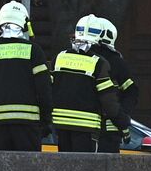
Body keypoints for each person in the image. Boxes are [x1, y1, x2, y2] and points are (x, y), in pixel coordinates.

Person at [0, 0, 52, 152]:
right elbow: (44, 88)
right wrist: (47, 119)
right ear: (23, 23)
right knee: (28, 170)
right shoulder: (34, 51)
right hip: (28, 123)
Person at [50, 15, 129, 153]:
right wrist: (123, 125)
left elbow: (48, 90)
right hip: (86, 128)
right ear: (99, 36)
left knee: (64, 169)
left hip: (61, 126)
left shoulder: (59, 58)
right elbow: (109, 102)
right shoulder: (99, 63)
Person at [89, 15, 139, 152]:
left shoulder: (110, 60)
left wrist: (122, 118)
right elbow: (132, 91)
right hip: (109, 128)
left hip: (93, 128)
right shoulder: (116, 60)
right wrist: (123, 117)